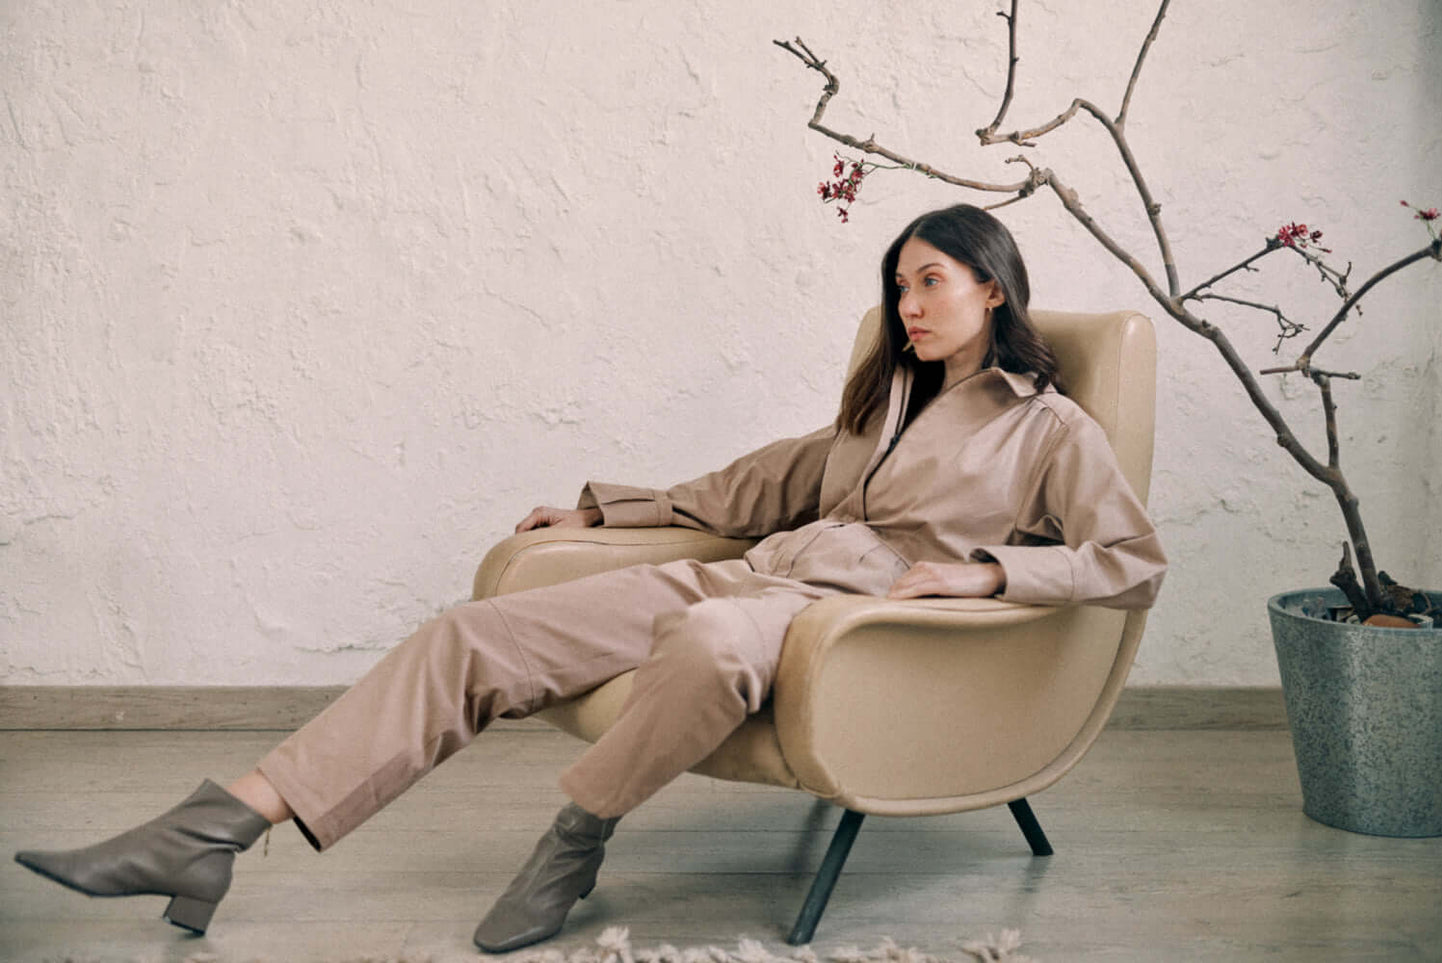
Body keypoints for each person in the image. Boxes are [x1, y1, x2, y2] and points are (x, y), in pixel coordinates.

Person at [15, 203, 1167, 952]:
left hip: (851, 627)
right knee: (474, 633)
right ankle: (217, 828)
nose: (907, 306)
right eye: (897, 289)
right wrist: (608, 510)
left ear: (992, 288)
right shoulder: (880, 399)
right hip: (750, 579)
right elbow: (759, 484)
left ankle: (573, 841)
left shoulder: (1048, 428)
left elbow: (1127, 561)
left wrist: (977, 577)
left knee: (712, 650)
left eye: (929, 283)